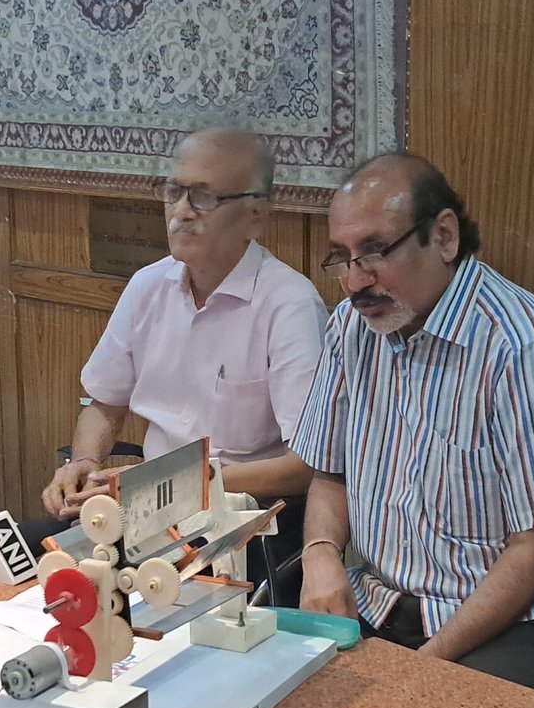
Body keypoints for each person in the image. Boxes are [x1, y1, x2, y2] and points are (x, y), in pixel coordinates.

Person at [292, 152, 534, 701]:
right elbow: (328, 475)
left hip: (512, 622)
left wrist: (423, 670)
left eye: (374, 252)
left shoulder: (524, 346)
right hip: (379, 603)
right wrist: (320, 555)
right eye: (341, 258)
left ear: (443, 236)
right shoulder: (351, 329)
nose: (355, 281)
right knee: (273, 704)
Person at [36, 128, 326, 597]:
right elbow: (105, 404)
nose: (181, 212)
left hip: (240, 524)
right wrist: (85, 462)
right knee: (37, 567)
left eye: (204, 197)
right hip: (146, 511)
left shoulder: (289, 305)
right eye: (174, 192)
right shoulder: (148, 286)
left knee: (103, 597)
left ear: (256, 214)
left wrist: (169, 482)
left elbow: (305, 465)